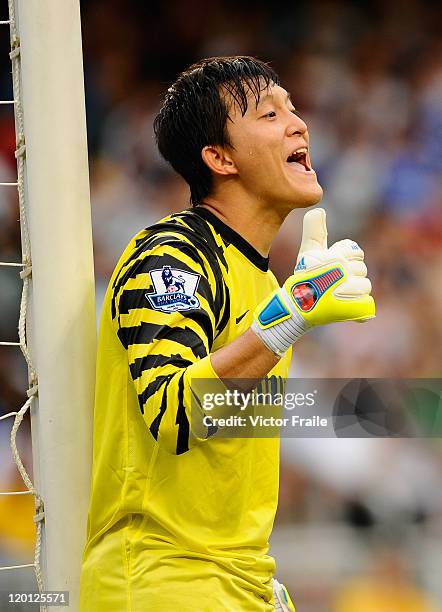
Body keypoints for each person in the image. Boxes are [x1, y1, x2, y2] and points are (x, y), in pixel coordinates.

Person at [79, 56, 375, 611]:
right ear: (219, 157)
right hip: (161, 581)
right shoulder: (170, 254)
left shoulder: (264, 282)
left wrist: (256, 580)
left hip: (233, 582)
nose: (298, 123)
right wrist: (295, 310)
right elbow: (175, 415)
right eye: (269, 113)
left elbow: (227, 455)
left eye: (293, 108)